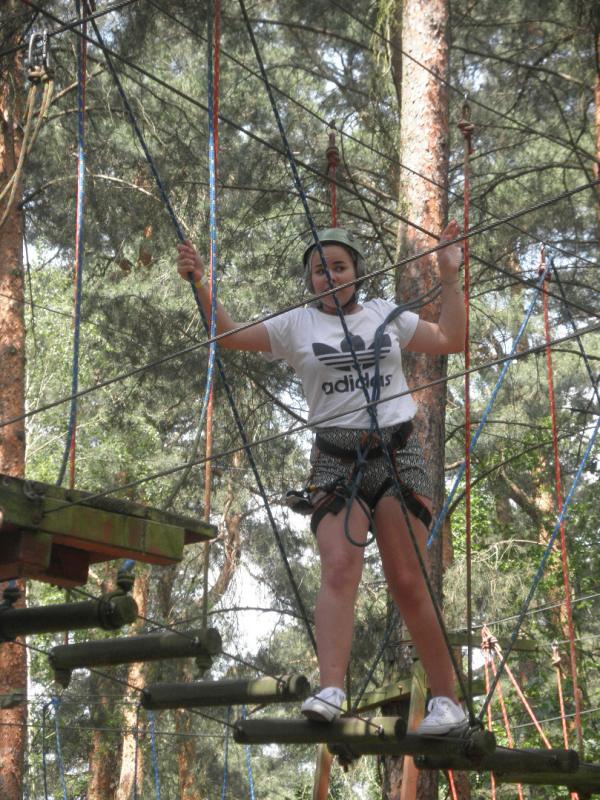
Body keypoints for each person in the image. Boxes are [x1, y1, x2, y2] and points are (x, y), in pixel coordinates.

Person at [176, 221, 467, 735]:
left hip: (396, 455)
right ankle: (331, 689)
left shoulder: (384, 315)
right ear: (309, 280)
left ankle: (448, 701)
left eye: (339, 267)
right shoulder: (297, 325)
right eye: (319, 270)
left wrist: (449, 276)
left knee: (407, 580)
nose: (329, 276)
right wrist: (200, 281)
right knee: (337, 566)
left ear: (357, 272)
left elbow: (451, 339)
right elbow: (229, 334)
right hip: (336, 459)